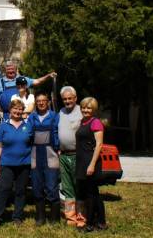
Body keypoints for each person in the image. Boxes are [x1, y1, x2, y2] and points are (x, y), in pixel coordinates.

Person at [0, 99, 31, 228]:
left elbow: (32, 143)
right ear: (10, 110)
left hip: (24, 164)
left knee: (20, 191)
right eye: (15, 109)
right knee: (3, 190)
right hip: (6, 164)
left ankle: (17, 217)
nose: (18, 111)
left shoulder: (28, 124)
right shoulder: (4, 125)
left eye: (20, 109)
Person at [28, 92, 60, 225]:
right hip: (35, 153)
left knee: (52, 186)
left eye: (43, 100)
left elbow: (58, 133)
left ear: (48, 102)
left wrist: (59, 148)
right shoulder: (32, 117)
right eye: (38, 101)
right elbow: (28, 134)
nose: (41, 103)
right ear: (36, 103)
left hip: (51, 152)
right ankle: (40, 217)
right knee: (36, 186)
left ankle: (54, 218)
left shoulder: (54, 116)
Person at [75, 97, 107, 232]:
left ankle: (90, 223)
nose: (85, 110)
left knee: (91, 194)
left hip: (91, 161)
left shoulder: (96, 122)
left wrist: (92, 164)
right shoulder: (83, 122)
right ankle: (101, 222)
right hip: (82, 160)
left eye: (88, 108)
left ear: (93, 109)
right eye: (83, 107)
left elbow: (99, 145)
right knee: (93, 193)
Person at [57, 86, 84, 226]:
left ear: (75, 98)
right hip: (63, 156)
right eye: (65, 99)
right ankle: (70, 217)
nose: (67, 101)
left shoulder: (82, 111)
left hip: (78, 155)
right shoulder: (60, 112)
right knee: (67, 188)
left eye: (70, 98)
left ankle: (81, 216)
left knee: (79, 186)